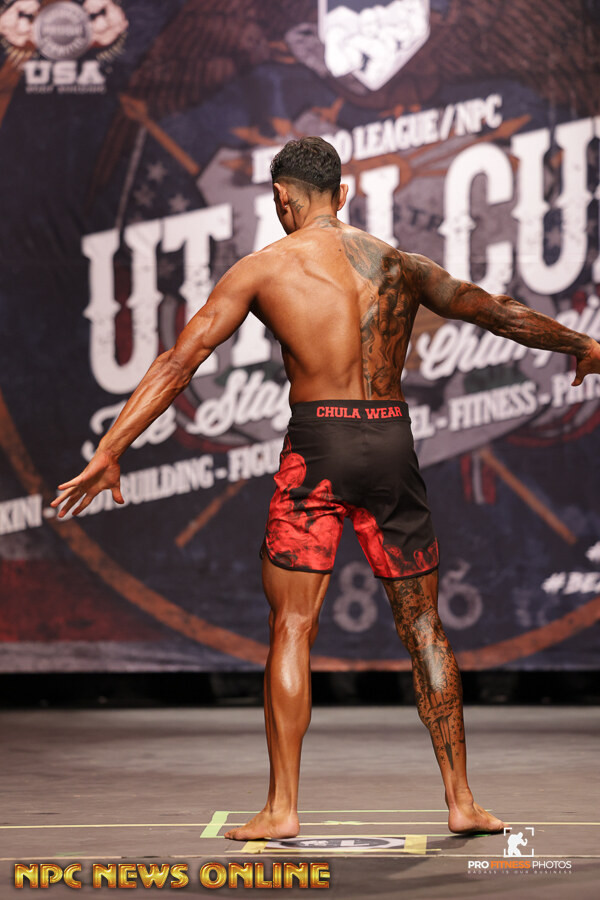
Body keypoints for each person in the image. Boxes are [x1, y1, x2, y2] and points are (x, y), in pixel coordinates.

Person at [52, 136, 600, 841]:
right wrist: (582, 345)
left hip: (319, 449)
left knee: (292, 626)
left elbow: (178, 363)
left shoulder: (263, 269)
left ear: (282, 198)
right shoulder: (401, 264)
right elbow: (496, 310)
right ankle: (462, 800)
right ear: (342, 194)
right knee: (424, 626)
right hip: (391, 442)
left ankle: (282, 808)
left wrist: (110, 450)